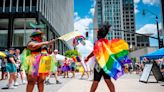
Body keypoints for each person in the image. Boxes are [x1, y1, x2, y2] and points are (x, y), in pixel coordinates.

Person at [85, 23, 115, 92]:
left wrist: (88, 57)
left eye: (97, 32)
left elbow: (95, 52)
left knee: (95, 81)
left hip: (99, 65)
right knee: (108, 80)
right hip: (107, 64)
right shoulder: (107, 42)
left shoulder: (97, 42)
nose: (96, 32)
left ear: (99, 34)